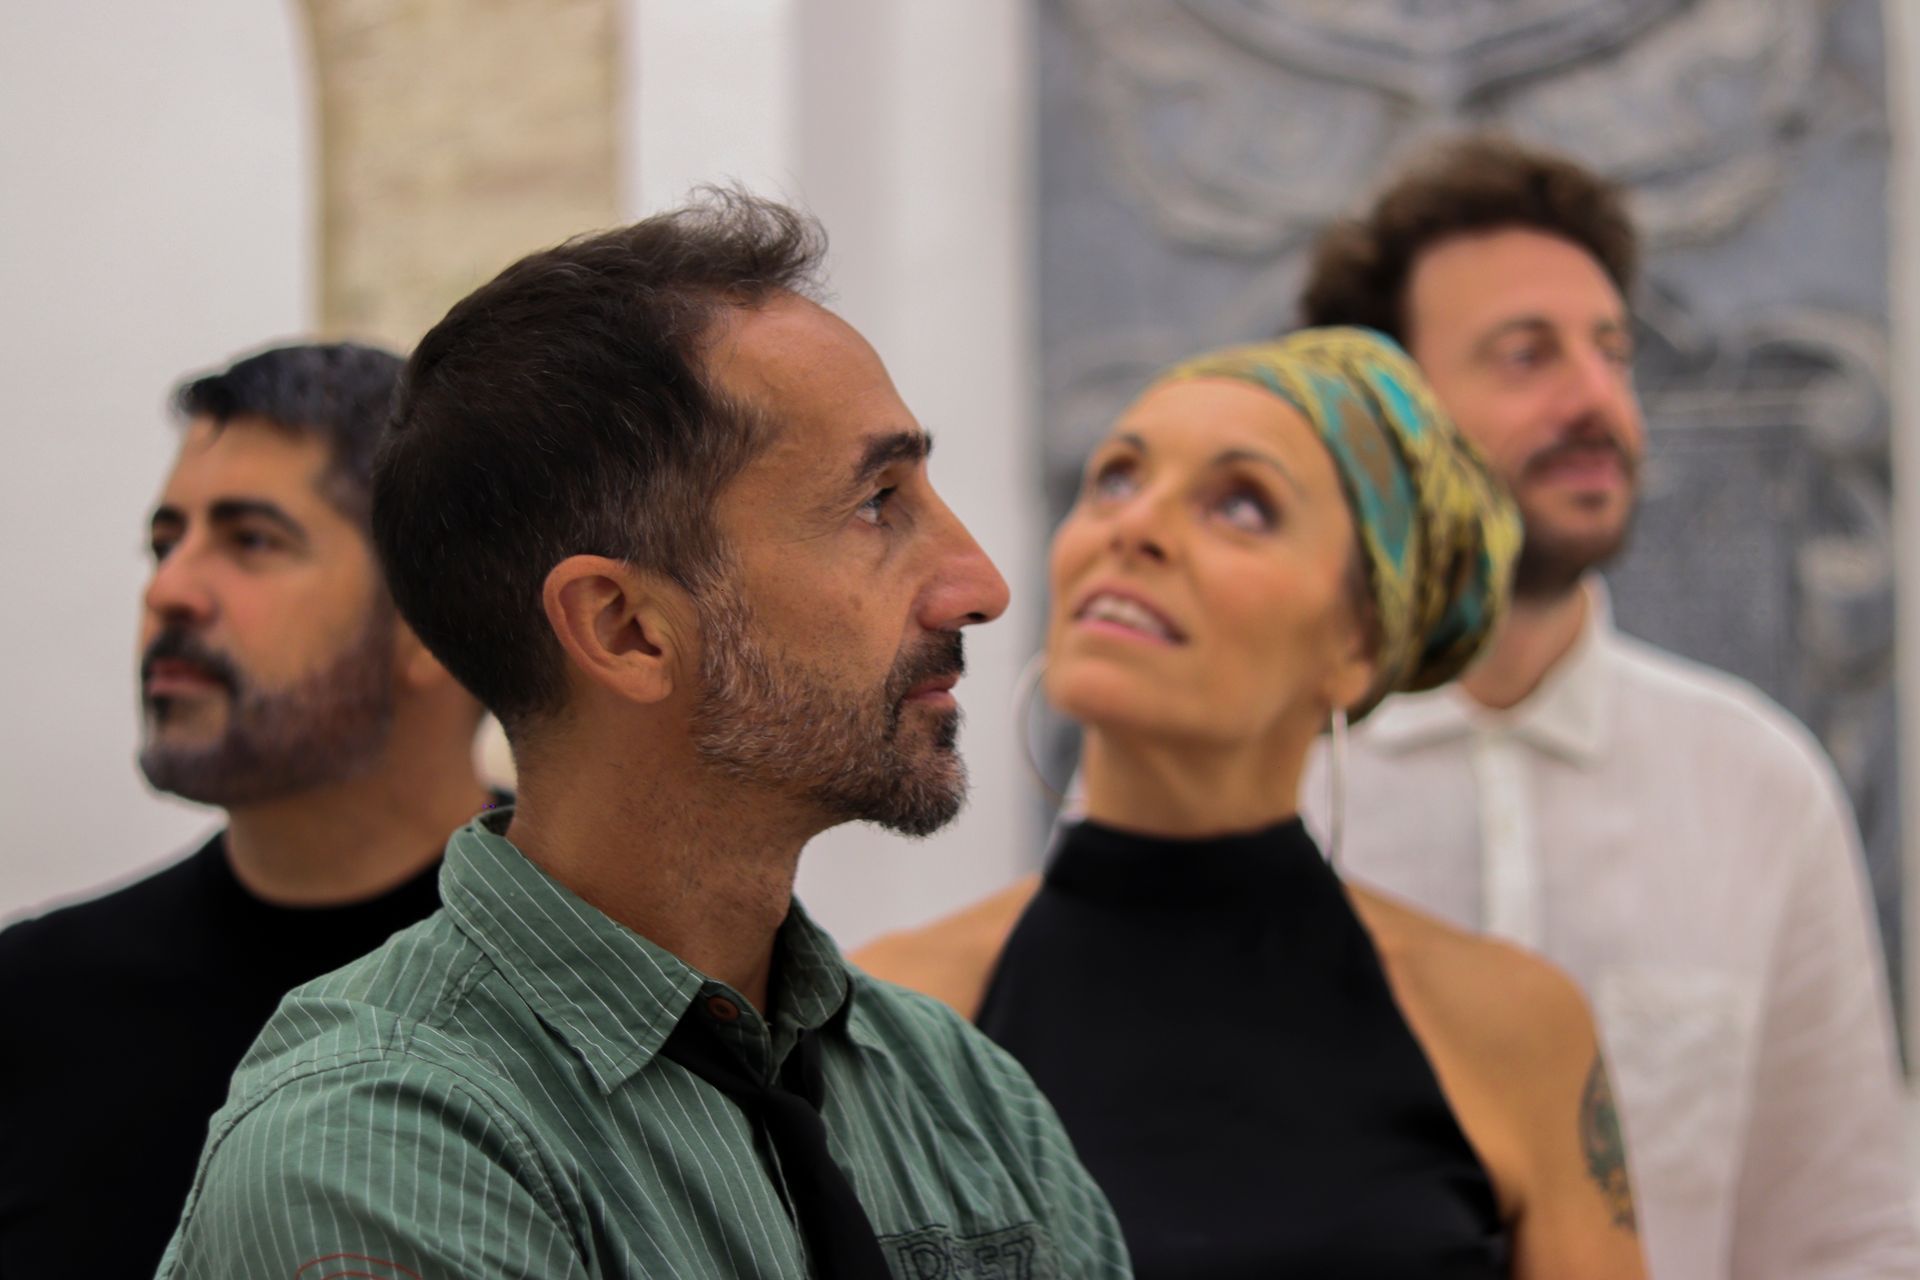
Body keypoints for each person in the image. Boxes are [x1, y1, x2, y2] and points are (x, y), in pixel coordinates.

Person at [156, 193, 1131, 1279]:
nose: (981, 585)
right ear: (625, 628)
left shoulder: (962, 1096)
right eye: (876, 502)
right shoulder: (379, 1147)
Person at [858, 327, 1648, 1278]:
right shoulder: (881, 1021)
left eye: (1241, 505)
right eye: (1116, 478)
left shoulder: (1515, 1032)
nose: (1135, 527)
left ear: (1359, 643)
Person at [1294, 136, 1919, 1279]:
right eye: (1527, 354)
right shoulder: (1245, 770)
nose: (1598, 400)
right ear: (1385, 420)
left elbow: (1844, 1238)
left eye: (1611, 351)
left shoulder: (1759, 785)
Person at [0, 343, 498, 1280]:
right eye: (166, 543)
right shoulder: (34, 1001)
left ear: (437, 616)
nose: (168, 591)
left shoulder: (609, 981)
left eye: (251, 541)